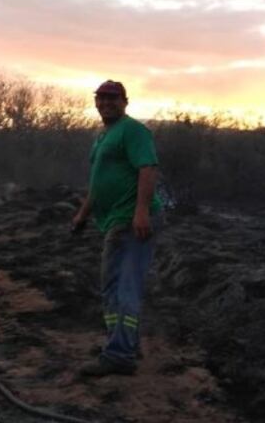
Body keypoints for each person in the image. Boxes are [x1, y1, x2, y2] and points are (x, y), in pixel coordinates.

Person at [71, 80, 163, 377]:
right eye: (101, 98)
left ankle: (120, 355)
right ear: (96, 102)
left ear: (125, 101)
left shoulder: (133, 131)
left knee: (124, 286)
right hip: (113, 221)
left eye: (113, 98)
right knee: (111, 287)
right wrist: (83, 214)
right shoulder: (103, 135)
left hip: (129, 220)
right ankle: (120, 343)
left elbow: (147, 169)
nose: (106, 103)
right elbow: (98, 182)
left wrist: (141, 211)